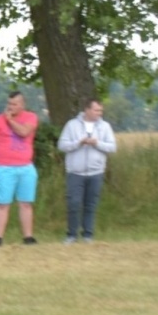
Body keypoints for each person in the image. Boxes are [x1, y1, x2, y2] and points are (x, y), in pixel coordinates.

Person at [57, 98, 116, 244]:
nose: (99, 113)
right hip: (75, 172)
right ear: (87, 110)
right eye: (96, 110)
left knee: (90, 205)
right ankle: (71, 235)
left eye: (101, 110)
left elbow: (112, 147)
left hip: (96, 172)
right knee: (74, 203)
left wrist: (97, 143)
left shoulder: (105, 126)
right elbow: (62, 145)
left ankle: (88, 235)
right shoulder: (71, 125)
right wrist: (78, 143)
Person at [0, 91, 40, 246]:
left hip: (26, 167)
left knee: (26, 203)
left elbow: (24, 132)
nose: (10, 107)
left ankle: (28, 236)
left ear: (22, 105)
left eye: (14, 104)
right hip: (4, 167)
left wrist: (10, 121)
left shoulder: (31, 117)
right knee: (2, 204)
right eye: (9, 103)